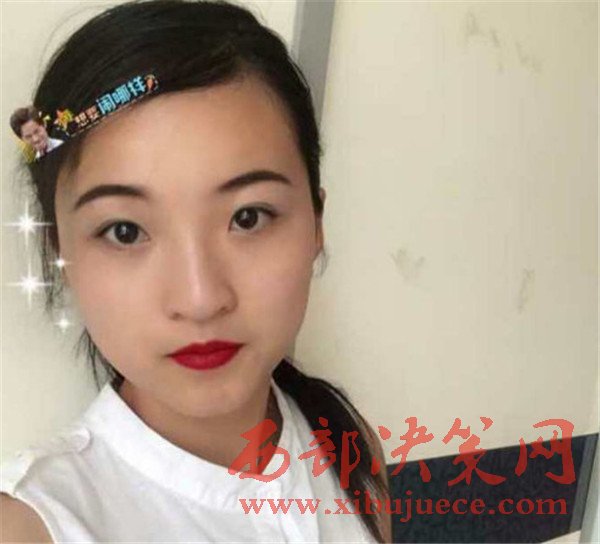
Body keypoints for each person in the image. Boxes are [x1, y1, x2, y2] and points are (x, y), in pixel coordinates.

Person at [1, 0, 392, 542]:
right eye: (125, 231)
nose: (201, 298)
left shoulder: (349, 449)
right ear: (60, 253)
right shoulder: (33, 527)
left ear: (316, 222)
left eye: (248, 217)